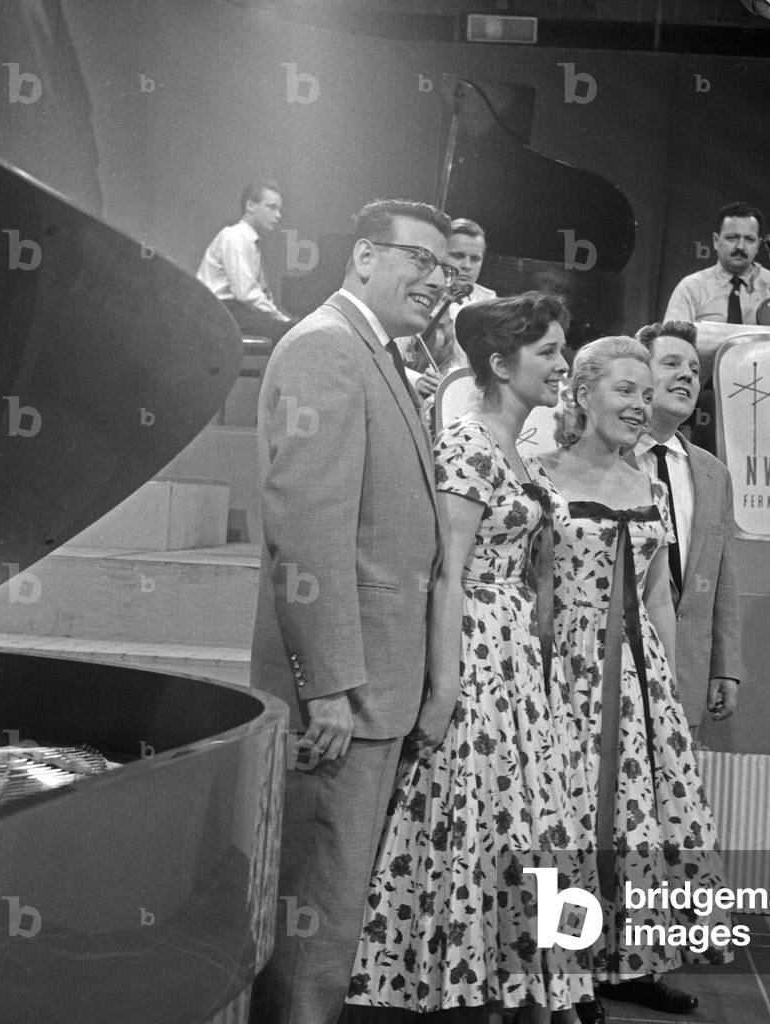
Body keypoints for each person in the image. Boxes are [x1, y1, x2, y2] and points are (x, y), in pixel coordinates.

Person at [346, 292, 595, 1021]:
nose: (561, 364)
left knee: (522, 821)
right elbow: (447, 571)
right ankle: (457, 986)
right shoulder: (465, 443)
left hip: (516, 653)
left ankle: (511, 985)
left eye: (562, 349)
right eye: (547, 352)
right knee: (472, 820)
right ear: (498, 361)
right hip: (478, 650)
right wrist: (446, 686)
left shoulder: (514, 446)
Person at [248, 198, 453, 1024]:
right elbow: (308, 527)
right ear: (365, 256)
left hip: (370, 686)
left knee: (330, 913)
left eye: (447, 268)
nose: (438, 281)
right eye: (421, 261)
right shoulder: (331, 349)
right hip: (341, 693)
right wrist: (328, 683)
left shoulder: (372, 349)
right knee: (314, 920)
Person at [536, 337, 733, 1021]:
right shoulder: (540, 475)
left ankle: (627, 964)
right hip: (565, 672)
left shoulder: (647, 485)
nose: (638, 405)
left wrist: (670, 695)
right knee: (570, 825)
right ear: (583, 391)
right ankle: (568, 975)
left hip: (639, 681)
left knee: (632, 825)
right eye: (625, 390)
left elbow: (656, 598)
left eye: (645, 394)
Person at [632, 320, 743, 730]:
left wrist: (725, 666)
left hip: (688, 672)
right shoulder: (608, 461)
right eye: (672, 364)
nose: (687, 376)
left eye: (695, 371)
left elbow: (723, 577)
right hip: (616, 663)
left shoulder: (714, 474)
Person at [403, 217, 499, 400]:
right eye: (458, 256)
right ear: (441, 255)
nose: (467, 266)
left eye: (475, 259)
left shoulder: (491, 305)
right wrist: (416, 380)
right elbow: (388, 356)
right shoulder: (416, 297)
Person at [663, 202, 770, 326]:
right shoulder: (692, 287)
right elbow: (673, 343)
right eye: (732, 238)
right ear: (716, 241)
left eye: (749, 239)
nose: (740, 247)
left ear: (758, 245)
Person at [196, 181, 298, 343]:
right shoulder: (235, 237)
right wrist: (281, 319)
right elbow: (245, 293)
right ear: (250, 205)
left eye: (279, 209)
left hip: (232, 310)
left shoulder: (249, 240)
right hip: (219, 312)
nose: (278, 215)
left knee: (292, 328)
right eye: (271, 207)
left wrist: (283, 318)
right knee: (289, 333)